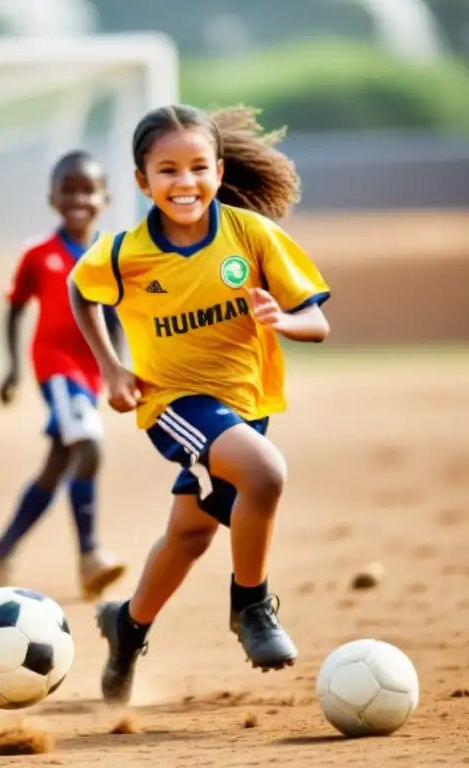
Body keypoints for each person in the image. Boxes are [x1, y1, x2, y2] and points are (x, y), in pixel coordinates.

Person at [68, 105, 331, 704]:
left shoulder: (252, 236)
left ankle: (126, 627)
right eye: (167, 170)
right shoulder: (125, 252)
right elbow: (81, 290)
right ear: (142, 181)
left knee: (190, 536)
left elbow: (317, 321)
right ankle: (252, 607)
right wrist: (111, 367)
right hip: (173, 404)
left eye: (196, 168)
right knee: (264, 472)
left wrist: (284, 320)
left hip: (244, 407)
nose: (183, 182)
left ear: (218, 170)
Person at [0, 150, 127, 601]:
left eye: (88, 190)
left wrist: (115, 369)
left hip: (89, 374)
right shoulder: (39, 255)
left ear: (106, 198)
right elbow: (16, 309)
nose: (78, 198)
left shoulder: (110, 255)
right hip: (55, 367)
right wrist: (12, 370)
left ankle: (0, 551)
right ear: (52, 198)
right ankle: (90, 555)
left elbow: (115, 318)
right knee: (91, 447)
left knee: (58, 464)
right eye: (69, 190)